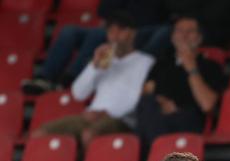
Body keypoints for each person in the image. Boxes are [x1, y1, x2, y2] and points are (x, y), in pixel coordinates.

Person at [33, 12, 155, 147]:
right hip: (90, 116)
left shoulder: (146, 62)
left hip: (121, 119)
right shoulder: (103, 60)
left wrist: (106, 113)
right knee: (40, 134)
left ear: (132, 33)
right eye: (111, 32)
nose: (115, 37)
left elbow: (140, 100)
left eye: (120, 31)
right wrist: (94, 66)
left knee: (89, 135)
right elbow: (78, 94)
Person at [22, 0, 168, 95]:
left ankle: (71, 77)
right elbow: (104, 13)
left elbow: (157, 16)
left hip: (140, 31)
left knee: (97, 34)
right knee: (69, 31)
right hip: (113, 29)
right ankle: (45, 77)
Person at [135, 16, 228, 150]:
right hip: (157, 118)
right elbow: (143, 94)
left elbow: (208, 105)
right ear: (172, 37)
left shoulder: (210, 66)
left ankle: (158, 157)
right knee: (146, 104)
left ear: (199, 38)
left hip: (187, 119)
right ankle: (162, 157)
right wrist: (160, 102)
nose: (184, 35)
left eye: (190, 31)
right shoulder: (161, 65)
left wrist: (192, 68)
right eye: (179, 31)